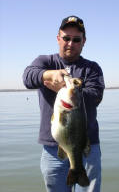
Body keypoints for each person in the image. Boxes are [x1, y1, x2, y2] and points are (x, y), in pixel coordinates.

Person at [23, 15, 105, 192]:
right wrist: (48, 75)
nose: (70, 43)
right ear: (58, 38)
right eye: (66, 38)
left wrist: (72, 91)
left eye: (76, 39)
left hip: (87, 147)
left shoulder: (92, 68)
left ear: (84, 41)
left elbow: (96, 96)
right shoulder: (45, 62)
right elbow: (28, 77)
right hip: (53, 150)